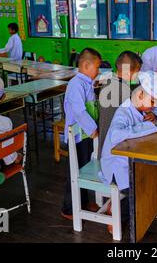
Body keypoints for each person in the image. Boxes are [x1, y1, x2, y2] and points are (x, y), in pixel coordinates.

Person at [99, 71, 157, 231]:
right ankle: (116, 214)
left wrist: (154, 116)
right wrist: (148, 126)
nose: (154, 105)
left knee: (154, 178)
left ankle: (147, 209)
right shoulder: (123, 112)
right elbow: (116, 135)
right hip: (116, 167)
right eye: (152, 101)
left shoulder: (141, 109)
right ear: (140, 94)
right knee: (141, 190)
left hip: (130, 162)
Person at [61, 48, 102, 220]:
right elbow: (79, 111)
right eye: (97, 68)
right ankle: (69, 208)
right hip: (78, 136)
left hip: (85, 136)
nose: (98, 72)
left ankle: (84, 202)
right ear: (86, 65)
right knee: (75, 172)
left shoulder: (86, 83)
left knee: (84, 170)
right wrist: (92, 129)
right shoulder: (76, 84)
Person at [98, 51, 156, 156]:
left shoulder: (108, 81)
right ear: (129, 73)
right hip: (114, 149)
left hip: (104, 143)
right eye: (137, 72)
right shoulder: (123, 89)